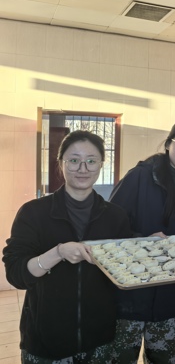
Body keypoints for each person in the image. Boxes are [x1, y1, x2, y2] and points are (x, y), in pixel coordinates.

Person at [3, 130, 131, 363]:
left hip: (99, 340)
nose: (83, 168)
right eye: (74, 160)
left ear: (101, 164)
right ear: (61, 163)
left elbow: (123, 269)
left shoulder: (115, 216)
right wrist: (58, 252)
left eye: (91, 161)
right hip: (46, 342)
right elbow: (16, 275)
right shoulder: (34, 213)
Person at [109, 119, 175, 364]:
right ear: (169, 144)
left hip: (170, 299)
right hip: (131, 295)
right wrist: (142, 241)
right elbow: (110, 224)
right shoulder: (140, 176)